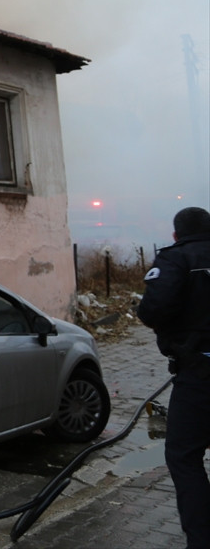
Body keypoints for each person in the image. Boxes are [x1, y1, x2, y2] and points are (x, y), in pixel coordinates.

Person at [136, 205, 210, 549]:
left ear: (176, 235)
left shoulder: (176, 258)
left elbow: (152, 310)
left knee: (183, 456)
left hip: (199, 375)